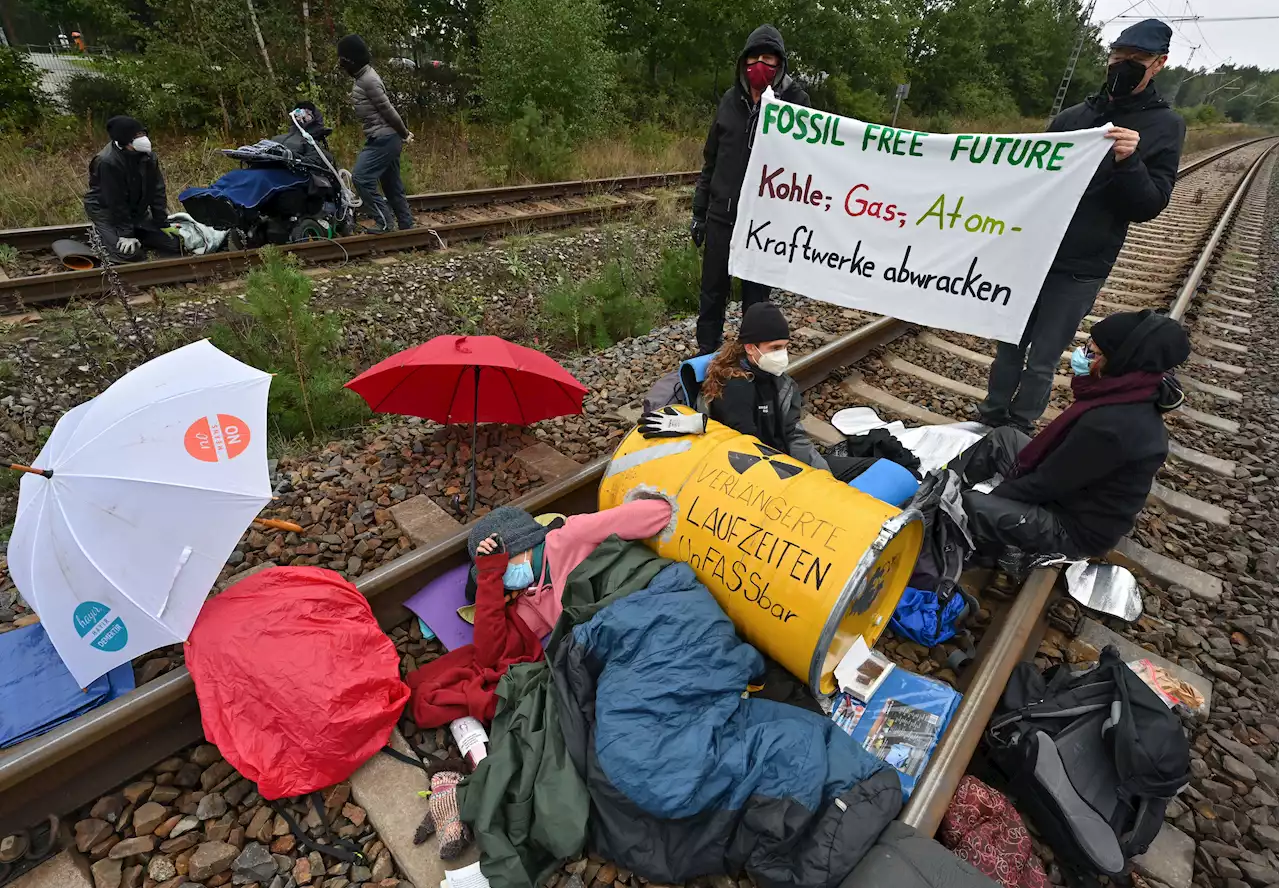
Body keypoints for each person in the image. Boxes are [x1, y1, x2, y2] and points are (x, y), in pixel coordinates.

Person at [978, 18, 1185, 433]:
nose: (1123, 65)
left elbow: (1149, 205)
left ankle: (1018, 429)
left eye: (1137, 59)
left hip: (1081, 264)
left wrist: (1131, 162)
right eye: (1118, 56)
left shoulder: (1165, 126)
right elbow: (1029, 180)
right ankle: (989, 417)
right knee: (1008, 345)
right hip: (1031, 255)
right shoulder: (1074, 117)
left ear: (1158, 63)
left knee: (1043, 356)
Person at [956, 309, 1189, 562]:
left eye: (1094, 353)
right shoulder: (1126, 392)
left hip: (1074, 528)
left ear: (1120, 361)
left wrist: (993, 500)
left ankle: (964, 529)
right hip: (1069, 495)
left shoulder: (1113, 425)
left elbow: (1047, 483)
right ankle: (948, 482)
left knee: (969, 507)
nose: (1083, 355)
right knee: (1003, 438)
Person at [691, 25, 810, 355]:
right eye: (753, 57)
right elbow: (710, 161)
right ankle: (707, 352)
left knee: (756, 296)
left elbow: (809, 164)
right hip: (722, 214)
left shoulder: (796, 103)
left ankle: (752, 356)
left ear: (780, 63)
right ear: (743, 61)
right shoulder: (729, 102)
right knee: (712, 290)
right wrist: (699, 212)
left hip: (764, 223)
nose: (759, 64)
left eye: (768, 58)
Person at [641, 302, 828, 470]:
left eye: (785, 347)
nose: (782, 355)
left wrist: (822, 474)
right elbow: (747, 452)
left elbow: (793, 434)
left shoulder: (779, 381)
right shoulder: (736, 387)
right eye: (775, 348)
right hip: (768, 475)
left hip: (786, 463)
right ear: (749, 347)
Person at [337, 34, 416, 233]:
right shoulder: (363, 78)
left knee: (361, 178)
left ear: (351, 60)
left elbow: (388, 110)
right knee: (391, 186)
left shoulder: (368, 80)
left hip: (385, 139)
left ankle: (384, 222)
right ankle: (407, 228)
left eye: (343, 60)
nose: (341, 65)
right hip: (383, 137)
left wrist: (404, 133)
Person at [83, 116, 182, 263]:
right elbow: (115, 201)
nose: (143, 139)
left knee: (175, 244)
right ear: (124, 140)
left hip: (137, 211)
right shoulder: (107, 162)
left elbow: (157, 191)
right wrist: (126, 234)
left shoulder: (148, 157)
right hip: (107, 211)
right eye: (136, 136)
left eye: (143, 134)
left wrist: (162, 223)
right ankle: (105, 233)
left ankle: (138, 232)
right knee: (130, 255)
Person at [273, 101, 337, 169]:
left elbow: (318, 160)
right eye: (302, 111)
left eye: (308, 113)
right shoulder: (276, 139)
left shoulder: (312, 145)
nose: (303, 114)